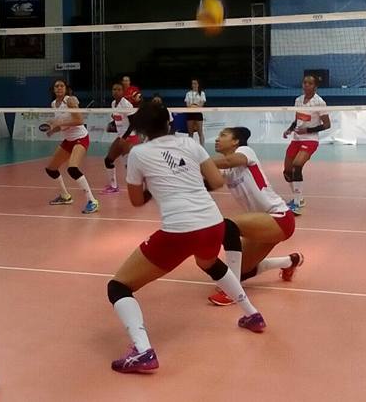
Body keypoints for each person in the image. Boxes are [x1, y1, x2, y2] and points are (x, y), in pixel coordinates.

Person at [107, 103, 266, 374]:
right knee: (209, 263)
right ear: (170, 124)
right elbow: (216, 181)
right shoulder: (189, 143)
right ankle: (252, 315)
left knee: (118, 287)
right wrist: (184, 183)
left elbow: (136, 200)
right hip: (213, 222)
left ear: (143, 128)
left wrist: (154, 185)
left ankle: (143, 351)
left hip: (179, 230)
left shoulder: (138, 154)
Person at [206, 127, 304, 306]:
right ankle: (289, 261)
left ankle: (232, 292)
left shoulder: (244, 151)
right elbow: (209, 182)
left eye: (223, 135)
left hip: (279, 217)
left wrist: (199, 160)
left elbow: (228, 161)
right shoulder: (226, 172)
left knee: (228, 226)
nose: (217, 139)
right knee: (240, 271)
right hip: (263, 225)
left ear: (235, 141)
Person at [45, 79, 98, 214]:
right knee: (51, 169)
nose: (59, 88)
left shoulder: (70, 101)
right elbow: (62, 125)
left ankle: (92, 201)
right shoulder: (53, 104)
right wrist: (53, 129)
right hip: (68, 140)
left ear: (66, 88)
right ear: (53, 89)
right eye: (56, 86)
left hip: (80, 138)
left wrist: (59, 122)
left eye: (62, 86)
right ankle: (65, 196)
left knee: (72, 168)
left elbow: (79, 120)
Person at [282, 75, 330, 215]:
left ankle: (296, 204)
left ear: (315, 87)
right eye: (304, 82)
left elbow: (327, 125)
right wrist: (290, 129)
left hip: (310, 139)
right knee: (287, 172)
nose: (306, 85)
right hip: (296, 139)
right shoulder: (298, 100)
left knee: (297, 165)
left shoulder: (320, 102)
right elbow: (297, 120)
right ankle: (300, 198)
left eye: (310, 83)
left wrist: (307, 130)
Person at [101, 82, 139, 194]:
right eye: (114, 89)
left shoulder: (126, 104)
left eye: (118, 89)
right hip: (120, 136)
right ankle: (113, 186)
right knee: (108, 160)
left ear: (123, 92)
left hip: (130, 137)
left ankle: (143, 187)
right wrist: (112, 125)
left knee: (129, 165)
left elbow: (133, 123)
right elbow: (118, 119)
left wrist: (125, 137)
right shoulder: (113, 103)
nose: (115, 91)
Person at [184, 79, 206, 145]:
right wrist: (194, 106)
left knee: (200, 132)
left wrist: (194, 106)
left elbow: (202, 105)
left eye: (195, 83)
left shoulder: (202, 93)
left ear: (198, 84)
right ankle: (190, 149)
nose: (194, 85)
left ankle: (202, 148)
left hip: (198, 114)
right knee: (190, 133)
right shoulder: (188, 93)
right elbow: (187, 105)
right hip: (190, 114)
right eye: (193, 83)